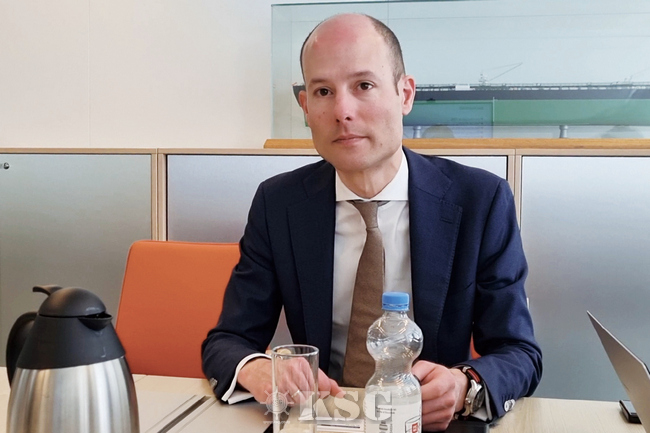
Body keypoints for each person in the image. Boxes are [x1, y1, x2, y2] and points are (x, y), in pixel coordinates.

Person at [202, 13, 542, 431]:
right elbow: (228, 341)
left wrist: (463, 387)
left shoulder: (480, 201)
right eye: (323, 91)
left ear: (405, 94)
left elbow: (518, 352)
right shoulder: (280, 203)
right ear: (306, 107)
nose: (342, 111)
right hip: (321, 420)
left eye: (364, 85)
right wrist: (258, 369)